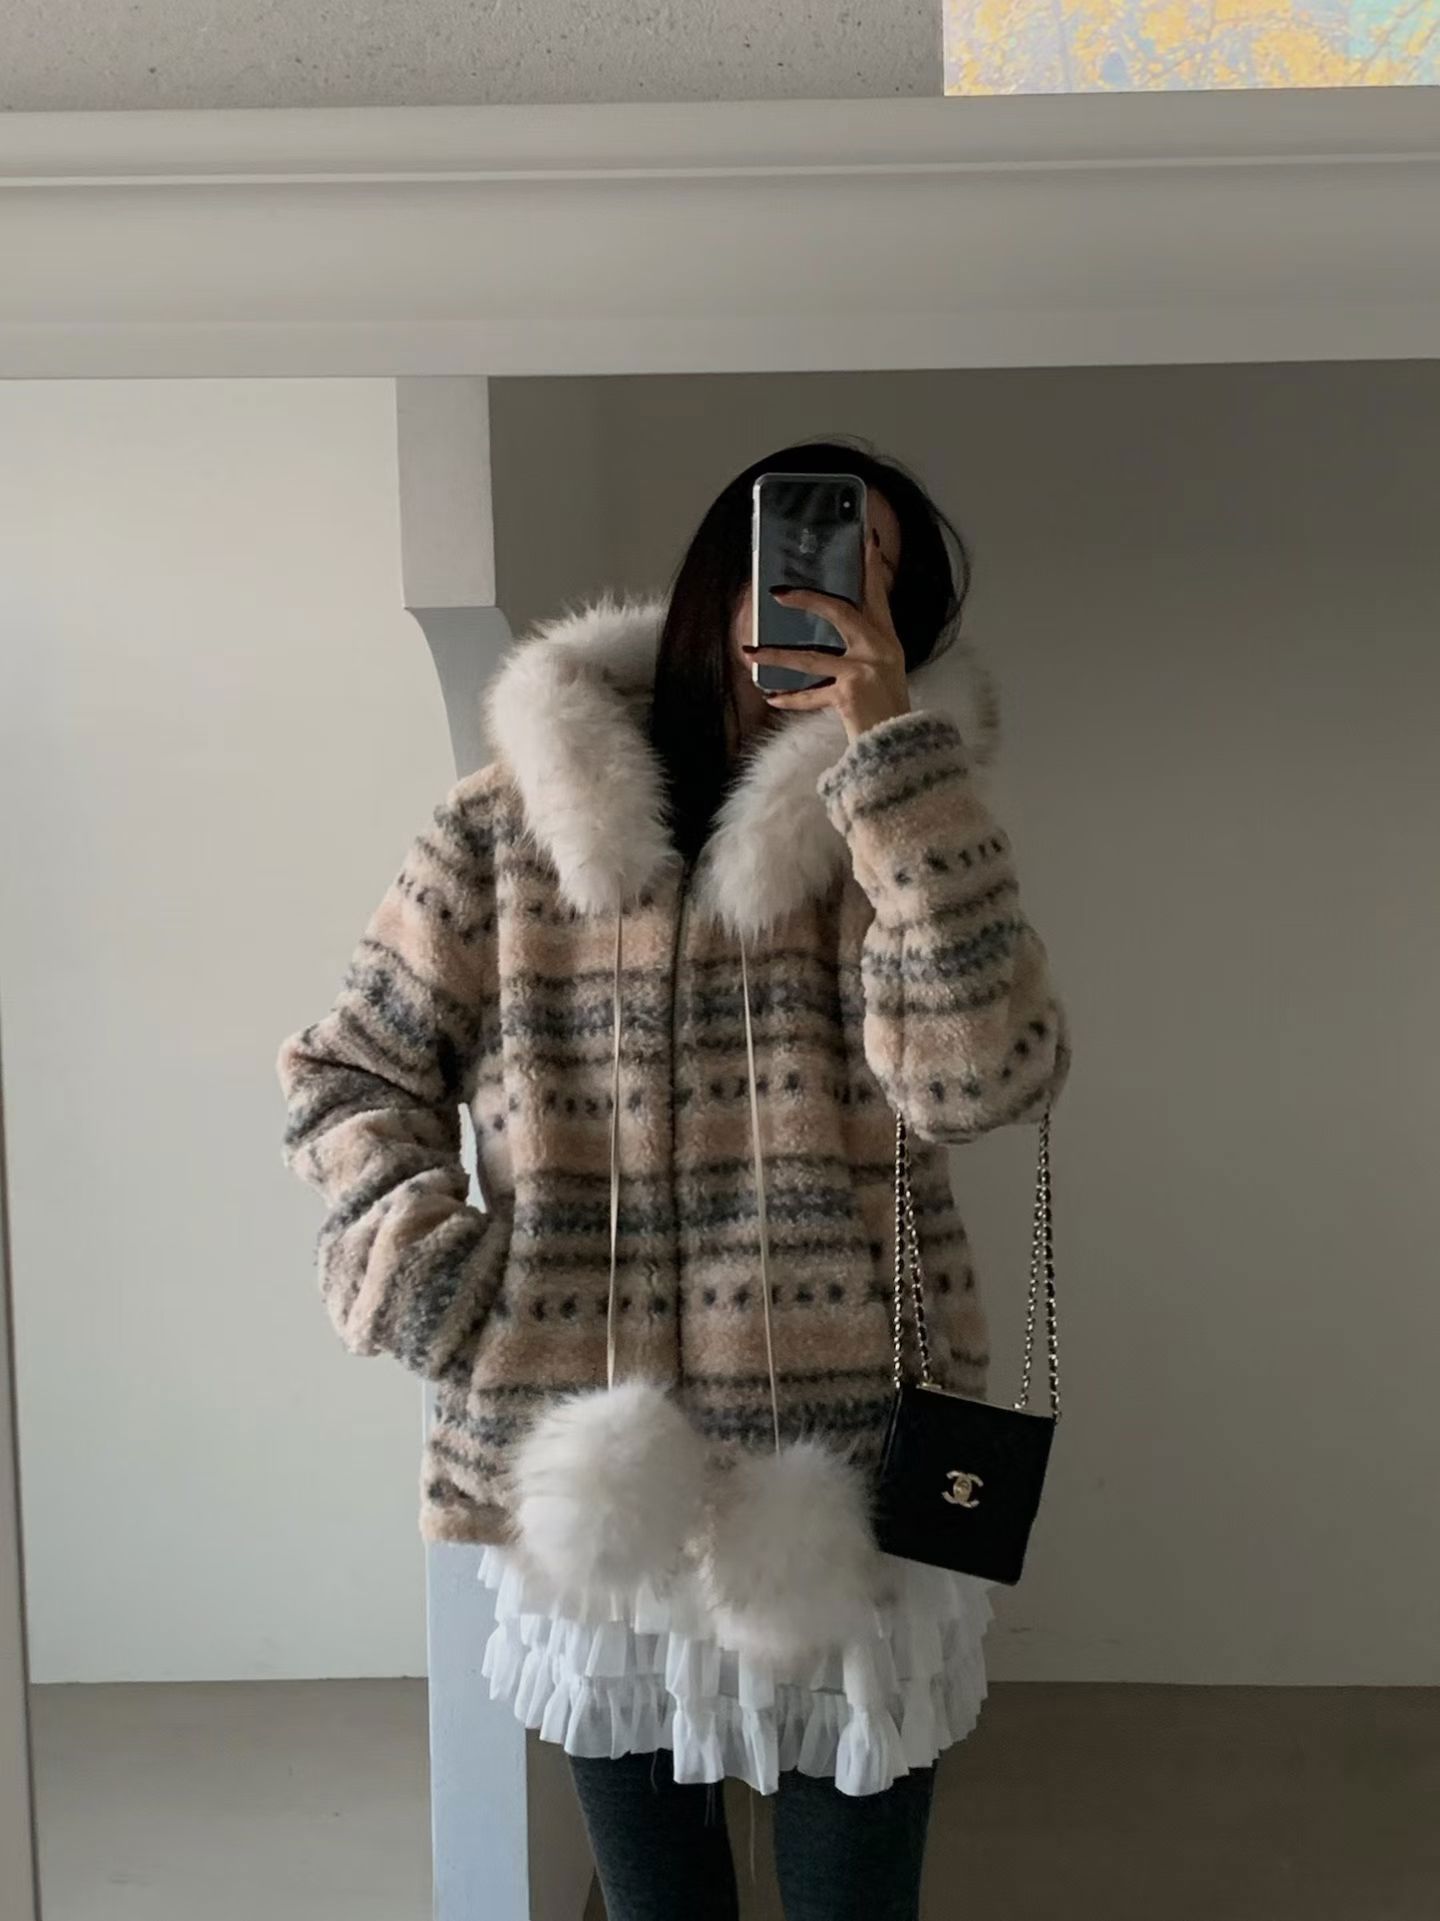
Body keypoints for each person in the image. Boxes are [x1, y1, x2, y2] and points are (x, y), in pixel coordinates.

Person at [277, 440, 1068, 1921]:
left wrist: (894, 763)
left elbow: (985, 1079)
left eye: (882, 583)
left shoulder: (909, 822)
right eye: (816, 558)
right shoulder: (505, 826)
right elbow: (349, 1075)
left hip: (855, 1463)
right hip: (593, 1461)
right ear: (728, 571)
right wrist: (445, 1291)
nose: (838, 600)